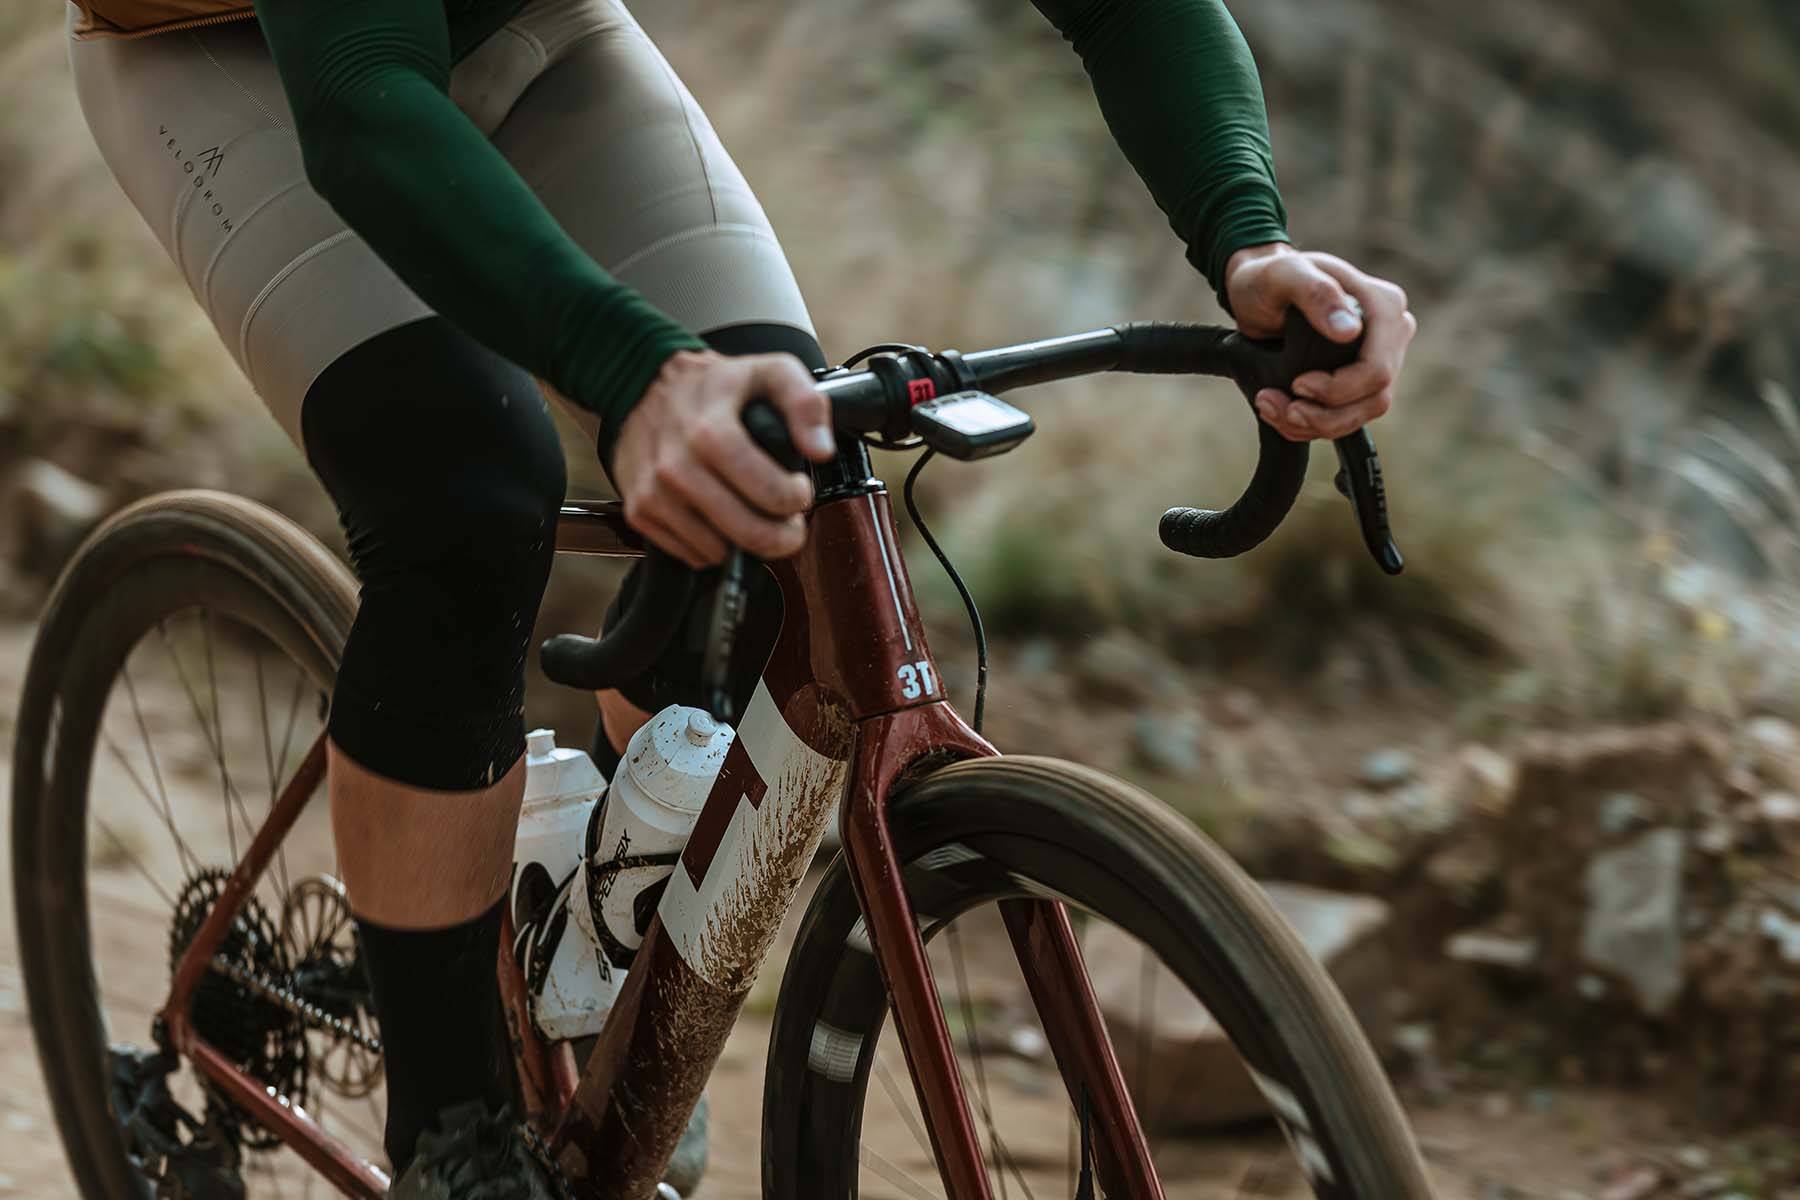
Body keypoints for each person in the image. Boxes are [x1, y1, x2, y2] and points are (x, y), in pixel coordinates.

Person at [65, 0, 1418, 1195]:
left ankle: (589, 942)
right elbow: (363, 99)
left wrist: (1249, 240)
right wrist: (636, 371)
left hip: (533, 32)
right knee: (467, 499)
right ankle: (453, 1129)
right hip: (241, 57)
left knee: (783, 476)